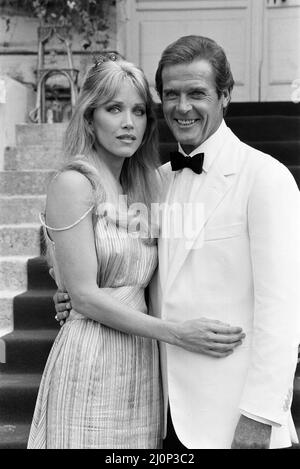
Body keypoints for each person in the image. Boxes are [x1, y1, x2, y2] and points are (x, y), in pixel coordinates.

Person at [55, 36, 300, 450]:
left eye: (197, 93)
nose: (182, 107)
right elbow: (128, 267)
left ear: (225, 96)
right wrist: (73, 295)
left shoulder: (266, 178)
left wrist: (260, 416)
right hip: (156, 407)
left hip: (232, 415)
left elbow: (282, 311)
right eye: (171, 95)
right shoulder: (156, 182)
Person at [28, 52, 245, 450]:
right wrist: (177, 333)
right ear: (89, 118)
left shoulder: (149, 185)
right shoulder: (75, 184)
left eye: (140, 111)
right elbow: (86, 297)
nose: (129, 123)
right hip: (91, 358)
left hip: (142, 366)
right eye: (114, 109)